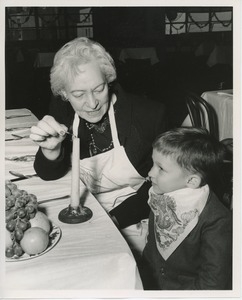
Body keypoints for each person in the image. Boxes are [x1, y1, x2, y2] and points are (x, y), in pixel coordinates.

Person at [30, 37, 167, 250]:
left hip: (133, 215)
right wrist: (51, 150)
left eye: (99, 89)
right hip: (82, 208)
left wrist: (113, 220)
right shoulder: (63, 111)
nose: (92, 103)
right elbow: (48, 174)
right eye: (78, 94)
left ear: (108, 80)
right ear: (64, 94)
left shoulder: (149, 116)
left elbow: (161, 187)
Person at [138, 127, 232, 290]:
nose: (150, 173)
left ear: (191, 181)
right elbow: (152, 248)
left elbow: (213, 282)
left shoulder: (217, 220)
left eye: (161, 168)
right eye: (153, 164)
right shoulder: (162, 196)